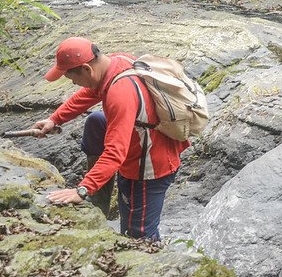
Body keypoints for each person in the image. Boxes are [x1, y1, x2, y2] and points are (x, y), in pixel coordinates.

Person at [31, 36, 189, 241]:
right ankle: (100, 200)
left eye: (72, 78)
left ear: (87, 69)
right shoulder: (116, 62)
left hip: (149, 166)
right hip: (145, 141)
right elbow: (88, 94)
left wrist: (82, 189)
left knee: (138, 235)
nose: (73, 83)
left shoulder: (120, 93)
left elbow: (115, 152)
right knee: (97, 121)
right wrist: (55, 119)